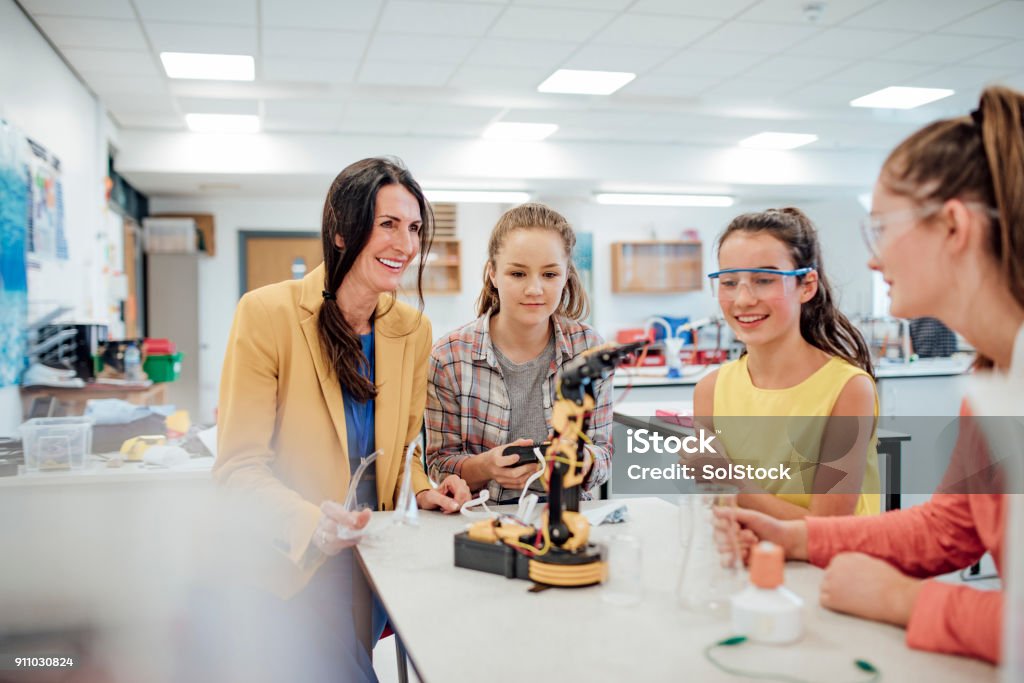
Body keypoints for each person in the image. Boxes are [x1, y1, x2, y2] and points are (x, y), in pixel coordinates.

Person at [724, 85, 1024, 665]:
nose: (871, 258)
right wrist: (795, 538)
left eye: (882, 229)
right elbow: (946, 529)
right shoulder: (993, 377)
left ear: (954, 227)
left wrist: (908, 601)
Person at [214, 157, 471, 682]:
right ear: (340, 231)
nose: (405, 244)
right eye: (388, 225)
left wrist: (424, 490)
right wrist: (314, 525)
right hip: (294, 563)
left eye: (415, 227)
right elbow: (238, 470)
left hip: (374, 560)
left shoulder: (411, 331)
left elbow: (403, 452)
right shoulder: (267, 314)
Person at [693, 208, 880, 518]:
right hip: (739, 560)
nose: (743, 299)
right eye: (728, 282)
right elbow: (716, 505)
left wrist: (728, 481)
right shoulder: (709, 390)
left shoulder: (847, 389)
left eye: (764, 280)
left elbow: (830, 526)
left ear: (806, 285)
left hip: (829, 566)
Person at [426, 203, 612, 504]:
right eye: (517, 273)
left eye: (550, 274)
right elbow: (438, 465)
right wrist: (486, 466)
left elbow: (602, 453)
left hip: (568, 521)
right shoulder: (449, 356)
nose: (534, 289)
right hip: (481, 521)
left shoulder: (589, 351)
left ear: (566, 276)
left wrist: (580, 461)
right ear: (493, 274)